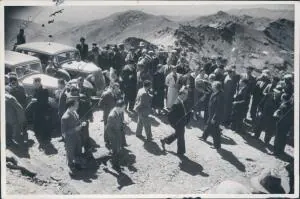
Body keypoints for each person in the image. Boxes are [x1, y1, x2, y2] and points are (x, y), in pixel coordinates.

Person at [160, 87, 191, 156]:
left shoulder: (182, 101)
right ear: (182, 94)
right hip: (178, 123)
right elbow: (170, 116)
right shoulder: (176, 103)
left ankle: (164, 140)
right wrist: (176, 123)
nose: (186, 97)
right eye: (186, 95)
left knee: (178, 134)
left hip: (181, 122)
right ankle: (180, 152)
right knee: (181, 136)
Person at [61, 97, 87, 171]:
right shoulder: (65, 117)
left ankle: (78, 164)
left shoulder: (75, 112)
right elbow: (64, 133)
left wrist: (81, 124)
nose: (78, 106)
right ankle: (71, 165)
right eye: (76, 105)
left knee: (78, 151)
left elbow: (76, 123)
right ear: (71, 106)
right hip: (70, 139)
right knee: (70, 153)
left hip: (77, 137)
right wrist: (75, 129)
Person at [200, 81, 224, 149]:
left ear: (216, 87)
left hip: (215, 116)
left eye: (213, 86)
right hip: (211, 114)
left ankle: (217, 145)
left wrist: (214, 118)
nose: (212, 87)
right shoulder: (215, 93)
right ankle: (204, 137)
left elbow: (219, 109)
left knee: (215, 130)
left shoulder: (220, 96)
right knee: (208, 126)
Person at [105, 99, 126, 171]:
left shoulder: (119, 112)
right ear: (119, 107)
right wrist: (114, 139)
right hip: (114, 136)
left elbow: (119, 122)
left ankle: (114, 161)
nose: (124, 110)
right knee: (115, 151)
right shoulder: (112, 115)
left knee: (117, 150)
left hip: (118, 133)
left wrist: (124, 123)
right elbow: (108, 129)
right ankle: (115, 165)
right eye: (123, 108)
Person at [32, 77, 52, 147]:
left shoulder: (44, 89)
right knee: (37, 122)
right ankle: (38, 134)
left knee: (44, 124)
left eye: (34, 82)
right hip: (37, 109)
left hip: (43, 110)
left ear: (38, 82)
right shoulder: (36, 89)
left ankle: (45, 138)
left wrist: (36, 100)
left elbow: (44, 101)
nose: (33, 84)